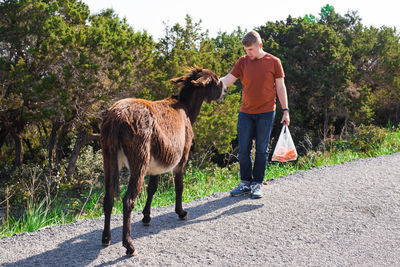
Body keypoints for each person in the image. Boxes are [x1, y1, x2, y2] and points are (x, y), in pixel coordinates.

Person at [219, 30, 290, 199]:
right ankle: (245, 182)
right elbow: (228, 80)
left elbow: (280, 87)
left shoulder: (274, 62)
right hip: (246, 113)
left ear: (260, 46)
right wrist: (209, 82)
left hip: (266, 113)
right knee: (243, 149)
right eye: (245, 50)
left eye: (250, 49)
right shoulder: (243, 62)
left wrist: (285, 110)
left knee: (261, 150)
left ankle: (257, 183)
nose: (247, 53)